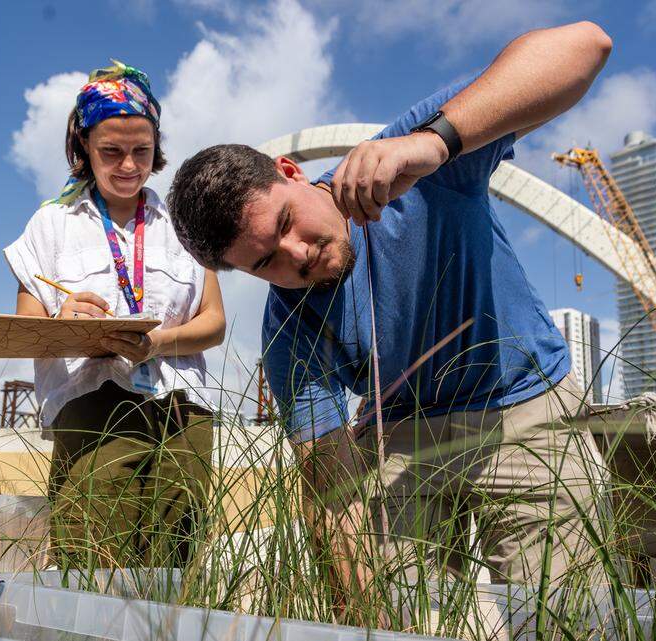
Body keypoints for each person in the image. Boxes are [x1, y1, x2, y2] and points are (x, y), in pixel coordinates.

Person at [166, 22, 613, 618]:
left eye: (284, 225)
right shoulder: (288, 332)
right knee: (409, 613)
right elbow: (334, 494)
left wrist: (437, 143)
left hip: (525, 407)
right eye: (266, 261)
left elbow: (587, 45)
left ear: (292, 173)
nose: (296, 255)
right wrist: (370, 623)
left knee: (567, 614)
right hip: (399, 433)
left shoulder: (409, 159)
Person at [4, 61, 225, 567]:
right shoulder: (50, 224)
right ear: (83, 146)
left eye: (141, 151)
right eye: (111, 152)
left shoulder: (183, 223)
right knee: (90, 563)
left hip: (181, 412)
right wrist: (63, 322)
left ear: (157, 147)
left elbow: (213, 321)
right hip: (91, 403)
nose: (128, 165)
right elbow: (24, 328)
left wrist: (158, 343)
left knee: (176, 565)